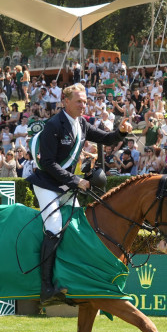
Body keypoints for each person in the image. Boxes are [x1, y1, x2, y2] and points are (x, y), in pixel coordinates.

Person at [25, 83, 132, 304]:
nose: (84, 105)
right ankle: (45, 287)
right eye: (79, 101)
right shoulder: (53, 125)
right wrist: (76, 180)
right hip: (46, 184)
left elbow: (107, 138)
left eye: (85, 101)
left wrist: (120, 131)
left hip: (64, 185)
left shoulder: (81, 123)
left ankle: (70, 278)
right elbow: (47, 163)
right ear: (66, 101)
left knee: (77, 228)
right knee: (54, 225)